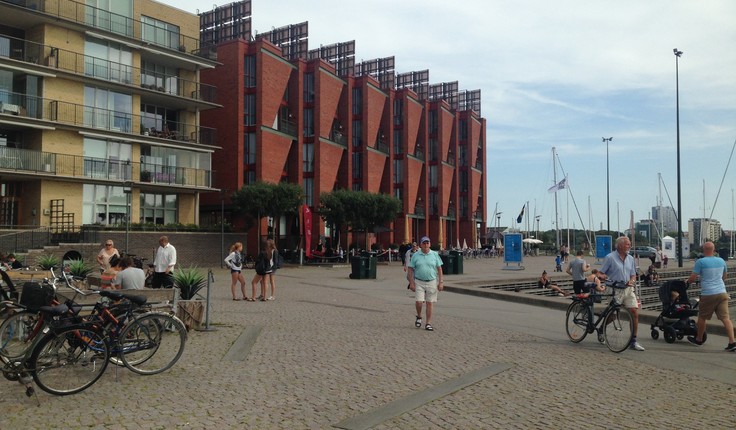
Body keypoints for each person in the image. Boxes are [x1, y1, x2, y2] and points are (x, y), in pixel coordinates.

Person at [686, 241, 735, 351]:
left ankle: (698, 339)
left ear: (703, 250)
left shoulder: (700, 262)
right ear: (714, 250)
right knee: (726, 319)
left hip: (708, 293)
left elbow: (693, 278)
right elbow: (724, 277)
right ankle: (732, 342)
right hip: (722, 292)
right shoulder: (721, 260)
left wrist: (687, 281)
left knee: (702, 317)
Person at [599, 236, 645, 351]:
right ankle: (601, 329)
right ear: (619, 246)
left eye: (629, 244)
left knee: (634, 312)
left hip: (628, 289)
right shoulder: (610, 257)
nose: (629, 246)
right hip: (615, 289)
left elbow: (633, 274)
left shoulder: (630, 258)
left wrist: (632, 280)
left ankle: (633, 341)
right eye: (627, 244)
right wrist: (604, 276)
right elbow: (600, 273)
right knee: (614, 315)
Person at [408, 236, 444, 331]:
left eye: (427, 243)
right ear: (421, 244)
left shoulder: (434, 254)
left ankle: (428, 323)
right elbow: (410, 268)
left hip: (431, 281)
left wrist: (440, 282)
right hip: (419, 281)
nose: (426, 245)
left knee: (429, 303)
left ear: (430, 244)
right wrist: (411, 282)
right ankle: (419, 316)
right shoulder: (416, 255)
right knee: (419, 302)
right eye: (424, 243)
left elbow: (439, 269)